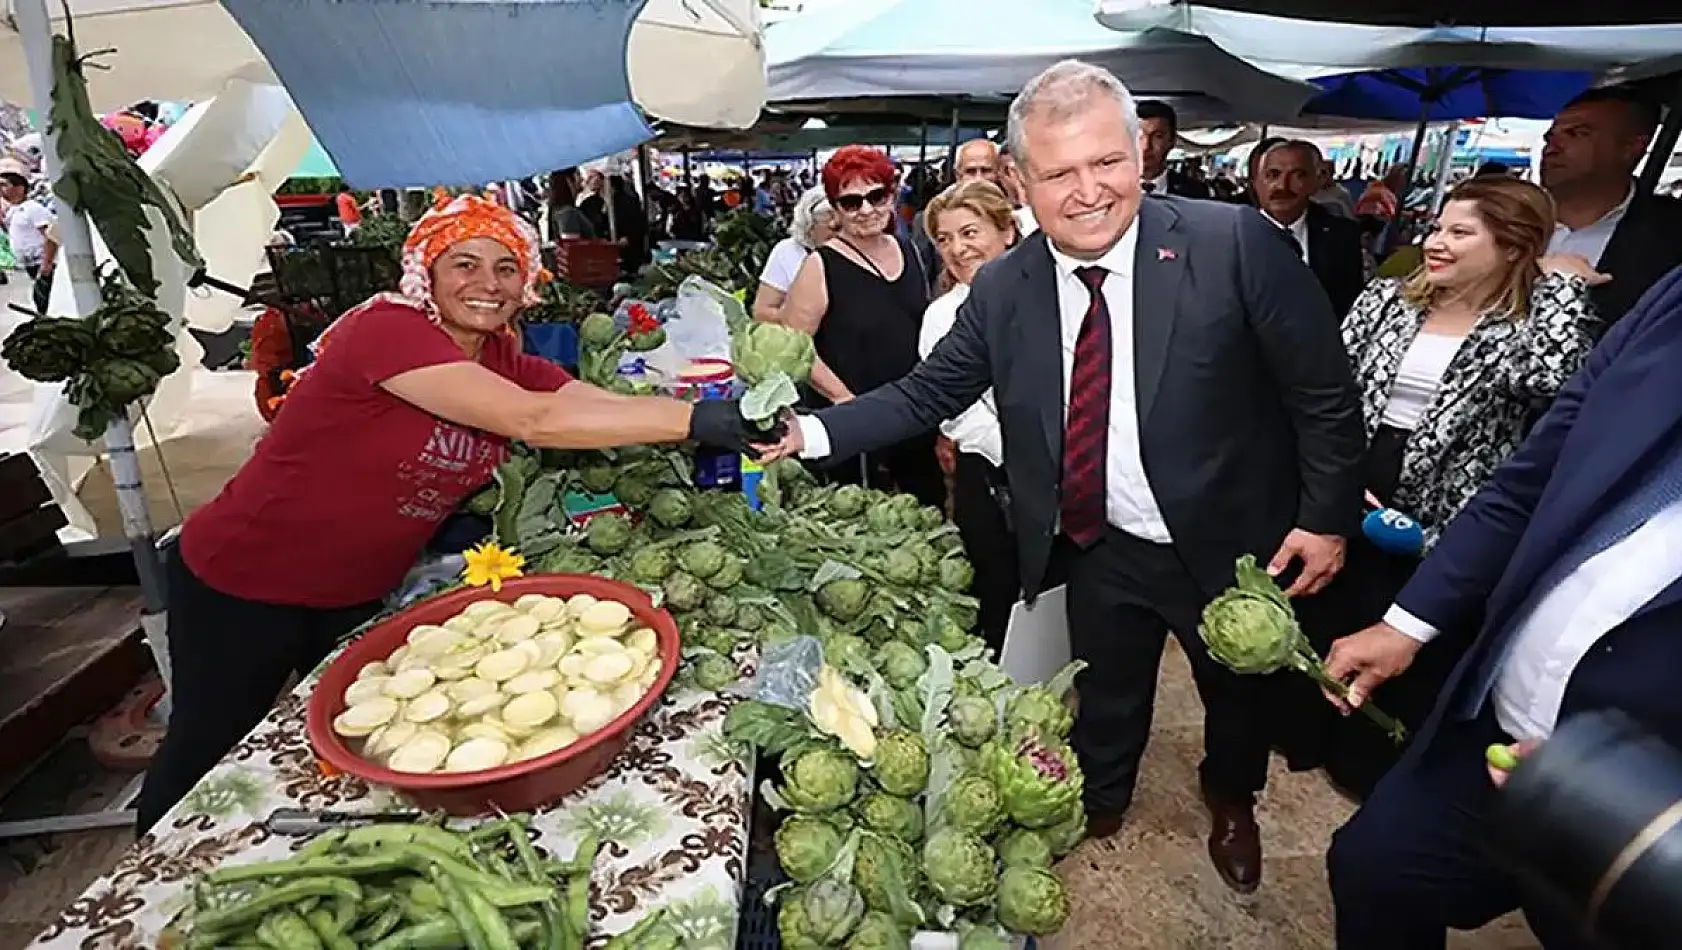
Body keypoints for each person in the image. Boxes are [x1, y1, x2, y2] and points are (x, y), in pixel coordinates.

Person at [764, 60, 1364, 893]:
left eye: (1107, 162)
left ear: (1141, 156)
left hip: (1230, 541)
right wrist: (810, 431)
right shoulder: (1006, 285)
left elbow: (1323, 393)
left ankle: (1232, 799)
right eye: (1057, 172)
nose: (1087, 191)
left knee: (1236, 693)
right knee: (1107, 688)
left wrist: (1327, 516)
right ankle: (1102, 799)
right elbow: (929, 391)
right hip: (1097, 538)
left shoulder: (1233, 246)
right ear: (1018, 180)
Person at [133, 195, 777, 832]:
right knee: (205, 747)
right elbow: (535, 420)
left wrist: (700, 417)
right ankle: (135, 902)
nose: (487, 284)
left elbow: (576, 396)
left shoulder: (499, 356)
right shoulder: (387, 331)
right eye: (464, 264)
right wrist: (692, 420)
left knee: (357, 748)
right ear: (428, 274)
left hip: (356, 590)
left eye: (506, 268)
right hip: (245, 577)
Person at [1321, 263, 1682, 950]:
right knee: (1376, 868)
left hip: (1646, 806)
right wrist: (1408, 622)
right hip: (1496, 726)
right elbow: (1532, 475)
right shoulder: (1673, 296)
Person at [1285, 176, 1603, 797]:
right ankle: (1306, 737)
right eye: (1437, 228)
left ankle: (1366, 763)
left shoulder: (1531, 323)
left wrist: (1562, 284)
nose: (1437, 243)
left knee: (1408, 644)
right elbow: (1332, 393)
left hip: (1450, 521)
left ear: (1514, 247)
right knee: (1329, 620)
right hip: (1360, 488)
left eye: (1461, 233)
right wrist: (1335, 479)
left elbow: (1559, 384)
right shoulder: (1386, 300)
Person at [778, 145, 943, 509]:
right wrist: (843, 400)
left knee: (926, 512)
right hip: (851, 427)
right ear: (836, 210)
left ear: (892, 195)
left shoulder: (911, 251)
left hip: (912, 416)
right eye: (851, 202)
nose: (866, 209)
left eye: (876, 196)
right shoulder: (820, 266)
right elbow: (792, 346)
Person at [918, 180, 1020, 652]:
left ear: (1008, 232)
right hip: (993, 475)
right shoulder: (942, 317)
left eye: (970, 232)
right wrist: (1022, 451)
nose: (957, 248)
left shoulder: (1055, 298)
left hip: (1074, 477)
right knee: (999, 593)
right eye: (944, 238)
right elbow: (954, 411)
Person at [1540, 86, 1682, 334]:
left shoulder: (1671, 235)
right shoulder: (1500, 220)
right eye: (1550, 137)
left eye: (1577, 134)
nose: (1553, 147)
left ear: (1632, 147)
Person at [1255, 140, 1367, 319]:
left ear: (1317, 181)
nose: (1282, 186)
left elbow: (1348, 307)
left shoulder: (1342, 237)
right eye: (1273, 174)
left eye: (1298, 175)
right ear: (1257, 182)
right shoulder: (1228, 236)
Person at [753, 187, 834, 322]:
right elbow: (762, 312)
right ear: (809, 226)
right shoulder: (787, 251)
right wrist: (800, 317)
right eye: (833, 228)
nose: (839, 234)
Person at [1, 172, 55, 316]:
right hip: (29, 265)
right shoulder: (13, 211)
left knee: (45, 301)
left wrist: (47, 263)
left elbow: (51, 235)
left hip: (42, 264)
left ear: (20, 188)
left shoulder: (33, 209)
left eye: (4, 185)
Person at [1135, 101, 1211, 199]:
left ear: (1172, 140)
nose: (1146, 146)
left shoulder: (1194, 192)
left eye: (1158, 136)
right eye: (1139, 136)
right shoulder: (1111, 187)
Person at [547, 168, 596, 240]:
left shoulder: (560, 210)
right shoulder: (567, 212)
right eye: (578, 174)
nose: (582, 179)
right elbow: (572, 246)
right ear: (568, 181)